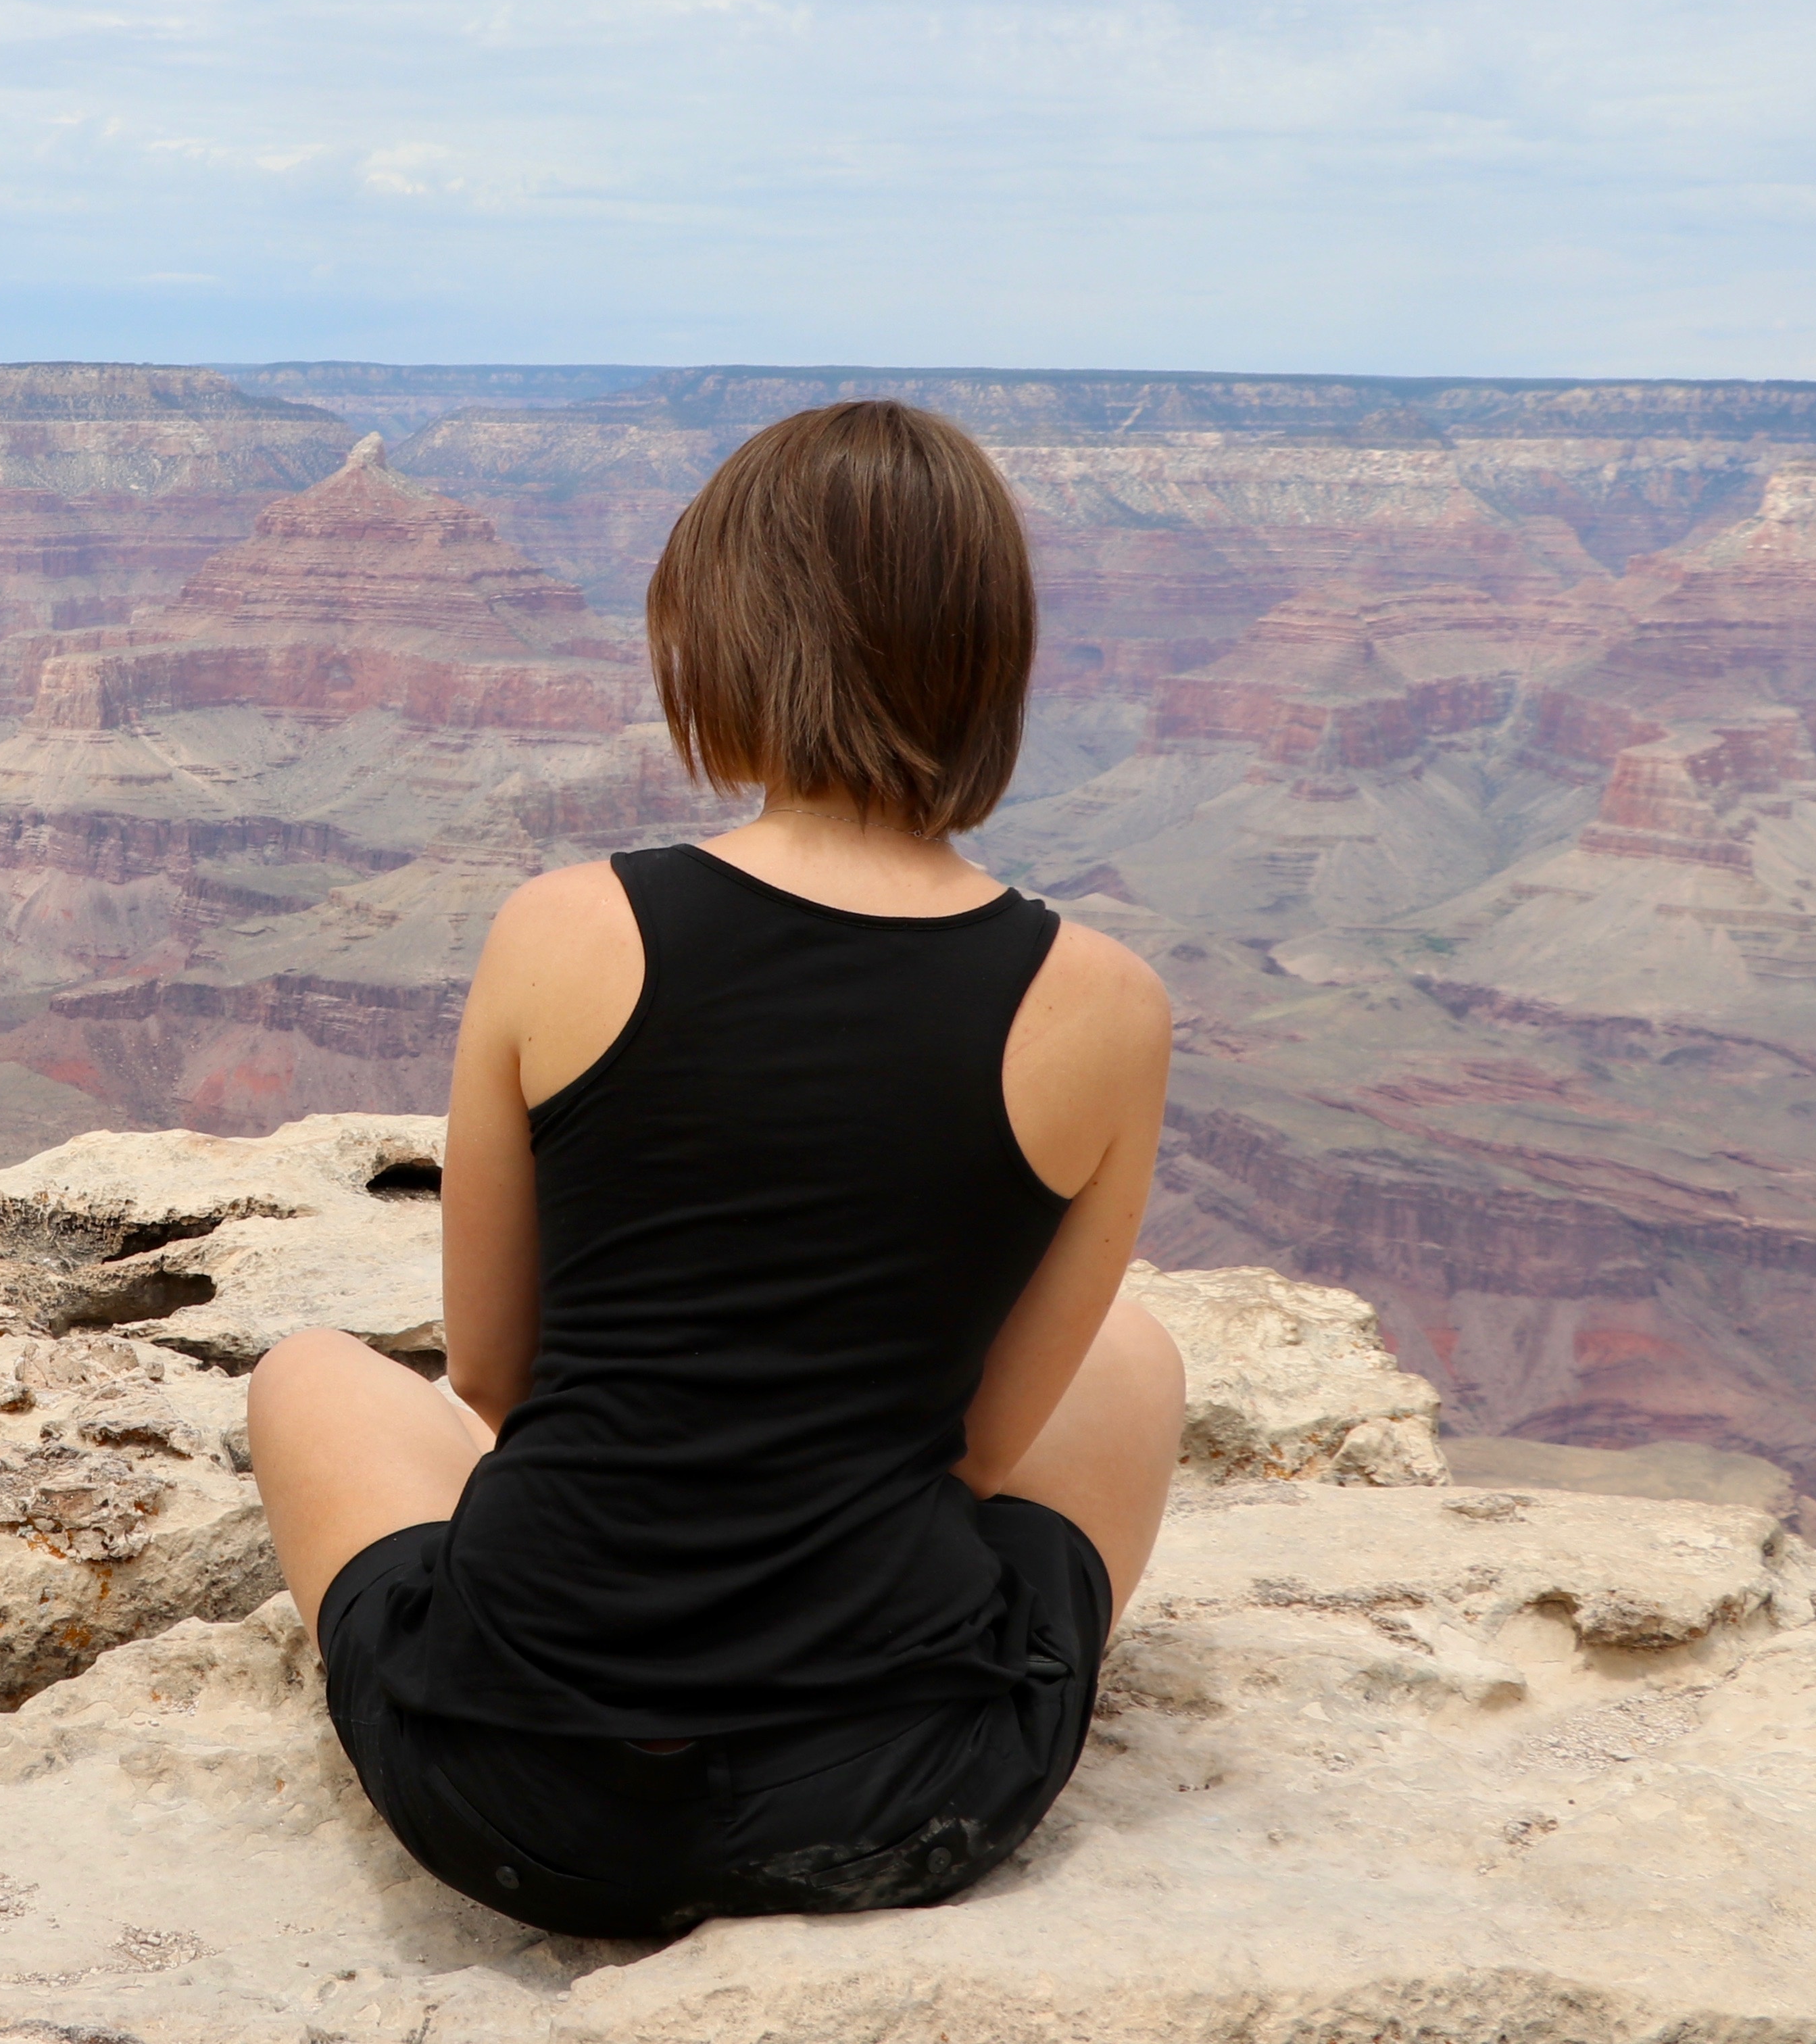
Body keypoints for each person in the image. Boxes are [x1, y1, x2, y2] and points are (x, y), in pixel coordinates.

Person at [246, 398, 1183, 1937]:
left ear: (722, 643)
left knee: (308, 1374)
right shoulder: (1106, 1005)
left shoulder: (561, 928)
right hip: (893, 1799)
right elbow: (976, 1455)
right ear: (986, 660)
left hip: (512, 1804)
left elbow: (492, 1374)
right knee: (1131, 1358)